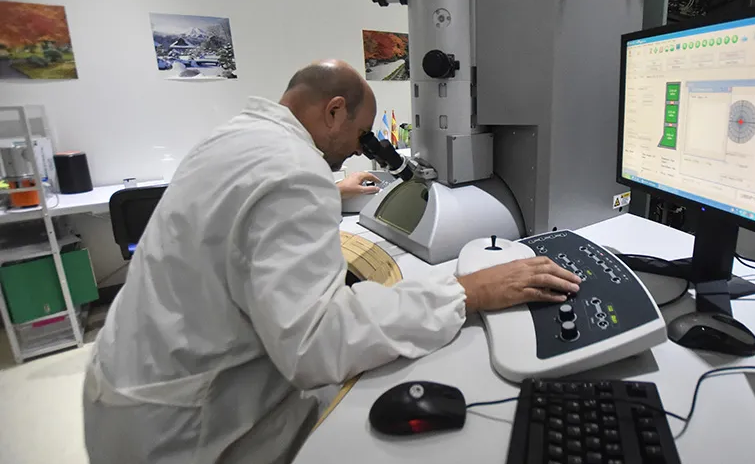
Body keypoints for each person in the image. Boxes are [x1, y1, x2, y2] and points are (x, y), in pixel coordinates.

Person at [82, 60, 580, 463]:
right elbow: (317, 345)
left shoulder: (240, 136)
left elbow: (247, 209)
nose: (356, 153)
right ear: (335, 111)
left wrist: (327, 187)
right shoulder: (294, 174)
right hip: (186, 428)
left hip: (128, 382)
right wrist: (466, 291)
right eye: (362, 136)